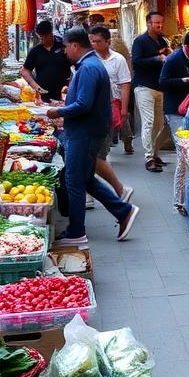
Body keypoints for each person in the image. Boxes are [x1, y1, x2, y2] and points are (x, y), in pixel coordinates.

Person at [47, 27, 140, 245]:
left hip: (85, 133)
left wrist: (58, 111)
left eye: (66, 47)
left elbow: (84, 104)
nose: (65, 52)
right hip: (87, 131)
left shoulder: (88, 67)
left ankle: (77, 230)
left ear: (75, 46)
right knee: (85, 179)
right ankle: (123, 211)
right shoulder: (90, 64)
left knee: (73, 181)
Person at [160, 30, 189, 243]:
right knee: (183, 156)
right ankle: (178, 201)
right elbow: (163, 82)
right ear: (187, 47)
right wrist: (185, 80)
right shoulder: (172, 59)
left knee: (188, 158)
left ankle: (184, 200)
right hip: (175, 110)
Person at [88, 25, 133, 204]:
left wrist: (123, 109)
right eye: (92, 41)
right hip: (92, 111)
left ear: (108, 42)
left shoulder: (118, 59)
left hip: (110, 109)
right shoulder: (90, 59)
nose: (95, 45)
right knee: (95, 155)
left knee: (101, 153)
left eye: (98, 41)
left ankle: (112, 190)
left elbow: (125, 84)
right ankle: (107, 191)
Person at [131, 11, 171, 173]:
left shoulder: (162, 40)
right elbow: (136, 62)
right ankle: (148, 158)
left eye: (161, 23)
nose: (160, 26)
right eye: (156, 23)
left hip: (159, 87)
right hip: (144, 87)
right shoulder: (140, 41)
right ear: (149, 23)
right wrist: (157, 58)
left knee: (158, 124)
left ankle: (155, 154)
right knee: (149, 122)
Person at [20, 20, 71, 100]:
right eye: (41, 37)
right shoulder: (35, 51)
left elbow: (75, 67)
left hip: (64, 94)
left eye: (45, 36)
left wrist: (70, 86)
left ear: (51, 33)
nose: (43, 39)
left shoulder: (63, 47)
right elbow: (25, 71)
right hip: (43, 96)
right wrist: (36, 87)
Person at [106, 23, 135, 154]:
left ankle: (113, 140)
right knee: (122, 116)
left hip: (115, 91)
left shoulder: (116, 56)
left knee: (116, 116)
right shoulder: (122, 51)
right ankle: (127, 142)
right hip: (119, 90)